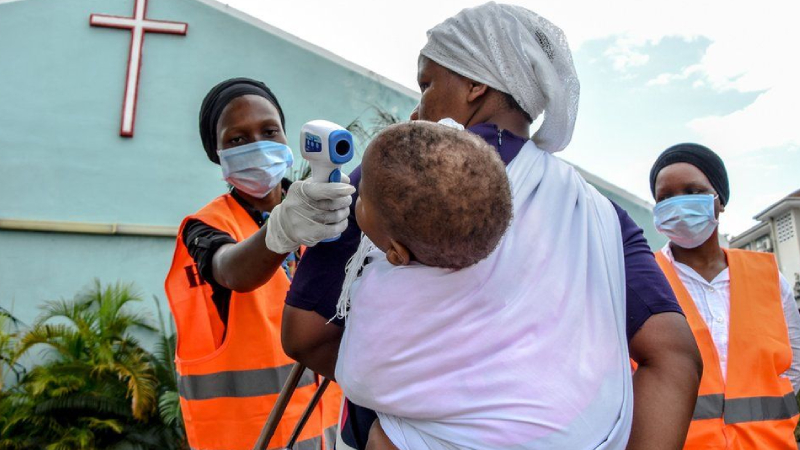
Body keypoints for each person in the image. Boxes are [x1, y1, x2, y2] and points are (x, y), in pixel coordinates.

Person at [282, 4, 703, 449]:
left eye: (427, 83)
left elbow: (306, 334)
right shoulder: (598, 214)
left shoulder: (394, 178)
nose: (418, 106)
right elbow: (674, 358)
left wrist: (415, 404)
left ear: (475, 84)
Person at [334, 120, 632, 449]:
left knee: (381, 437)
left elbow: (360, 379)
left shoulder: (383, 299)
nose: (357, 199)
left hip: (475, 441)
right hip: (568, 430)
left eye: (362, 199)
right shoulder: (525, 266)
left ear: (396, 252)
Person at [164, 78, 349, 450]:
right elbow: (232, 270)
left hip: (323, 436)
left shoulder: (321, 212)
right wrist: (281, 231)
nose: (257, 145)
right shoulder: (206, 227)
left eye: (269, 131)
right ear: (216, 152)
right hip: (246, 439)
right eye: (237, 139)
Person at [650, 143, 800, 449]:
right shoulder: (644, 280)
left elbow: (793, 366)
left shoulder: (769, 278)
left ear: (720, 200)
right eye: (665, 197)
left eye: (693, 192)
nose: (678, 204)